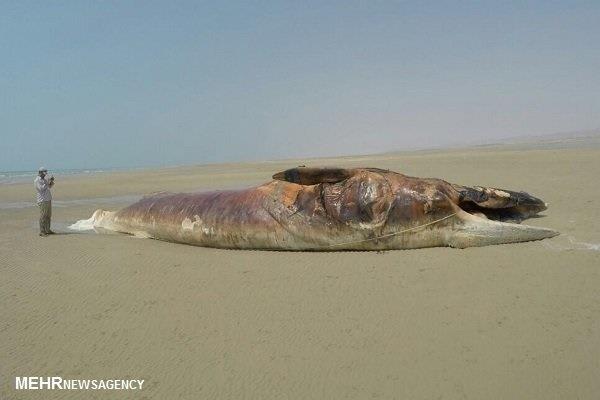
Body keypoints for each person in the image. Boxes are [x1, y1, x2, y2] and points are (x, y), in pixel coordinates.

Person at [34, 167, 55, 236]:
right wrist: (47, 183)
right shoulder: (37, 180)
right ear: (40, 172)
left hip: (48, 199)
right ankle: (42, 231)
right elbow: (41, 189)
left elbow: (49, 186)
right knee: (43, 216)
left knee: (48, 216)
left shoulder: (44, 179)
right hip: (42, 200)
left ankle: (47, 230)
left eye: (46, 172)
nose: (45, 174)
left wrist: (51, 181)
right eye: (44, 172)